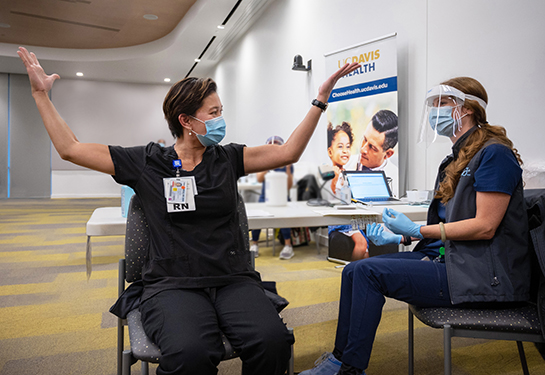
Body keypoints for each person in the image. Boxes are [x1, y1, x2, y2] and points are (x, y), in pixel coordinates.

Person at [17, 46, 359, 375]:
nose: (221, 119)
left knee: (272, 342)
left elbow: (288, 152)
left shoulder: (228, 158)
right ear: (186, 120)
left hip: (232, 279)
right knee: (190, 354)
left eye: (221, 111)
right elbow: (70, 149)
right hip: (172, 284)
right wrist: (40, 95)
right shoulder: (147, 162)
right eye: (214, 113)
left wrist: (320, 99)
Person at [301, 77, 531, 375]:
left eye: (442, 104)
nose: (435, 111)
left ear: (467, 109)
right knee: (352, 269)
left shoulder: (494, 154)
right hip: (452, 260)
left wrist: (417, 231)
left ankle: (349, 369)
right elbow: (451, 222)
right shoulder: (456, 159)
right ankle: (338, 361)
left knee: (368, 272)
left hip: (481, 276)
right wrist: (408, 238)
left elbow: (485, 226)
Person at [250, 135, 295, 260]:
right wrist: (268, 164)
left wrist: (287, 167)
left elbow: (289, 185)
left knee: (284, 215)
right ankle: (254, 244)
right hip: (266, 196)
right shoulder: (263, 161)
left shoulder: (287, 163)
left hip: (282, 196)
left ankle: (288, 245)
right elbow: (259, 179)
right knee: (257, 216)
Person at [327, 122, 354, 195]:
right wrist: (334, 180)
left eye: (348, 146)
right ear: (330, 152)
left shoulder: (349, 174)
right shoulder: (328, 174)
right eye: (340, 146)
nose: (345, 151)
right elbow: (329, 197)